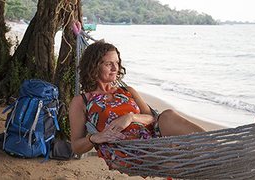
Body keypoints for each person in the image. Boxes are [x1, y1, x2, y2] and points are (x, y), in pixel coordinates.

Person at [69, 41, 205, 168]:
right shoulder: (81, 101)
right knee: (181, 159)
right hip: (124, 150)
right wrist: (95, 138)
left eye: (117, 62)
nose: (115, 68)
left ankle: (218, 149)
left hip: (152, 140)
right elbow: (76, 146)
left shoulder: (127, 91)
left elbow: (152, 118)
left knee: (168, 115)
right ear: (94, 66)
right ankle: (207, 160)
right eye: (108, 64)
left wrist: (131, 117)